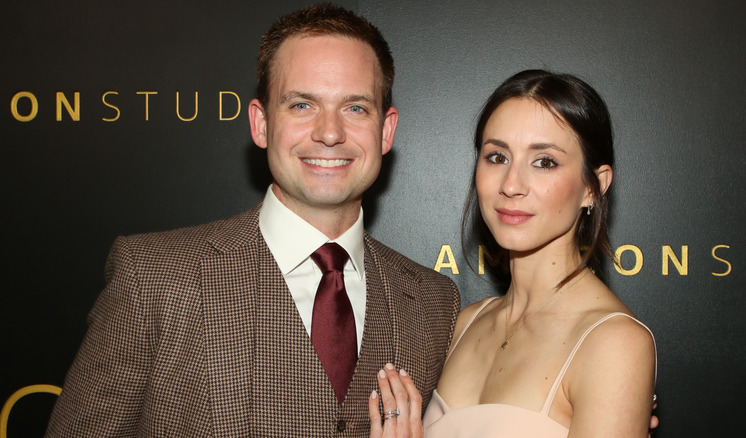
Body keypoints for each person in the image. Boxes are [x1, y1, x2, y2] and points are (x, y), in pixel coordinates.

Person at [45, 4, 460, 437]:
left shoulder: (432, 303)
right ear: (261, 124)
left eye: (355, 108)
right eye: (302, 105)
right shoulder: (152, 277)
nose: (330, 132)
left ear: (386, 131)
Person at [369, 70, 657, 437]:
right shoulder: (464, 324)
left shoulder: (614, 344)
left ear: (593, 186)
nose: (511, 185)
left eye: (545, 162)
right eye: (497, 157)